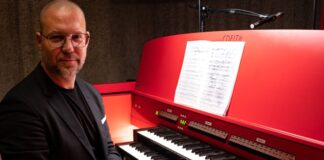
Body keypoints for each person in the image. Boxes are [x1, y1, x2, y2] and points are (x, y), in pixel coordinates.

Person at [0, 1, 121, 160]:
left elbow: (108, 149)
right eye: (57, 37)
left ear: (87, 40)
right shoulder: (19, 107)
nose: (69, 48)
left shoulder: (92, 93)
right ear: (39, 41)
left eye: (76, 37)